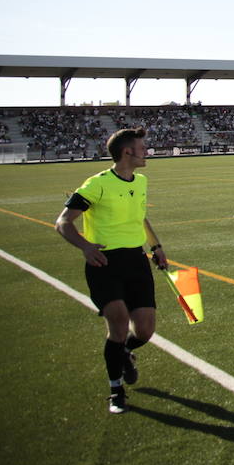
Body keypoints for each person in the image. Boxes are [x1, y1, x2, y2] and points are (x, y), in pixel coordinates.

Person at [54, 127, 170, 415]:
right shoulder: (97, 184)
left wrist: (156, 248)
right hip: (104, 264)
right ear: (127, 151)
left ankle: (125, 352)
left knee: (144, 331)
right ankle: (116, 391)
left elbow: (140, 216)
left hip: (136, 261)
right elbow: (63, 223)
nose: (147, 151)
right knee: (118, 323)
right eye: (143, 147)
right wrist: (86, 247)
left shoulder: (140, 181)